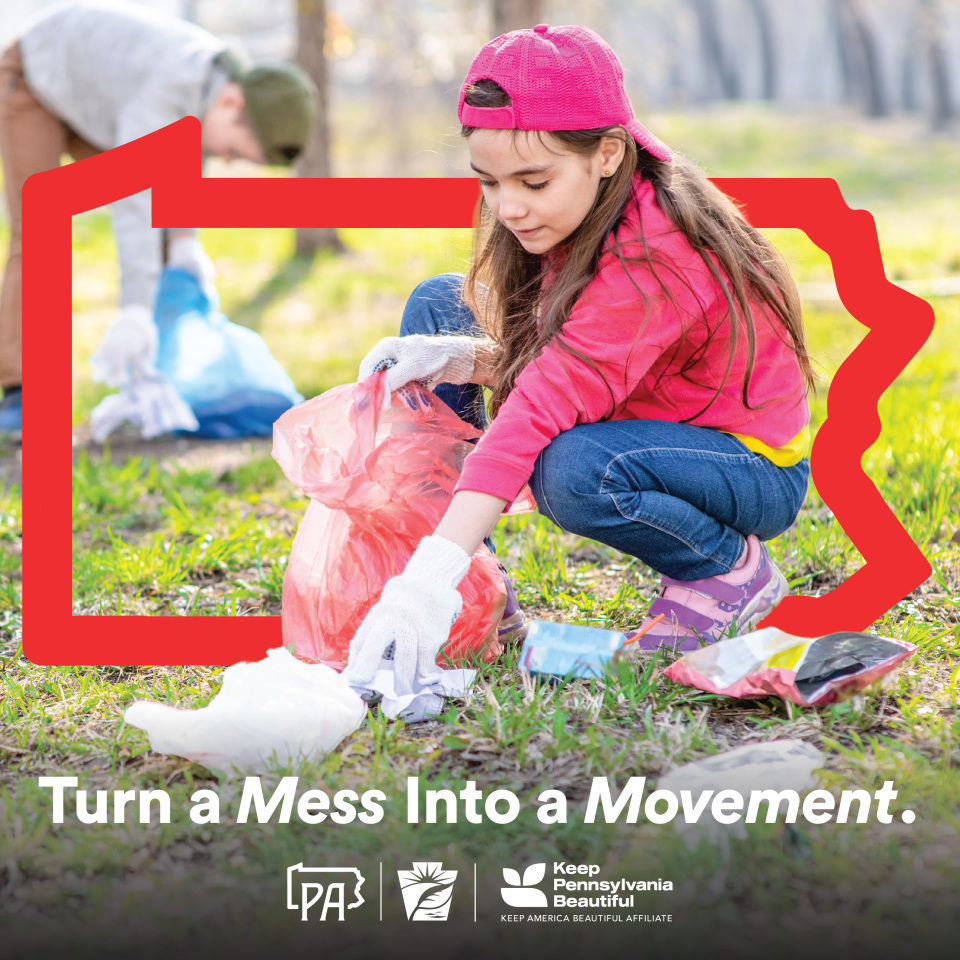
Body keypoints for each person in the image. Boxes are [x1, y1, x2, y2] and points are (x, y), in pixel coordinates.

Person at [342, 24, 813, 692]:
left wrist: (423, 580)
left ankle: (723, 568)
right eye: (489, 182)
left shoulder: (657, 252)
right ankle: (478, 588)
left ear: (608, 154)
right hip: (647, 416)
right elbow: (569, 354)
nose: (508, 208)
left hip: (742, 464)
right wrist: (456, 357)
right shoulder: (575, 216)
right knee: (438, 303)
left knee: (572, 469)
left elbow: (545, 400)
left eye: (533, 181)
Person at [0, 1, 318, 438]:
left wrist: (186, 246)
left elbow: (178, 184)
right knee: (38, 231)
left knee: (168, 234)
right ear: (232, 99)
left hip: (100, 100)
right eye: (233, 150)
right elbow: (137, 201)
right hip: (36, 77)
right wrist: (132, 310)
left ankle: (162, 372)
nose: (224, 159)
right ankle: (21, 392)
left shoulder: (211, 93)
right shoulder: (167, 92)